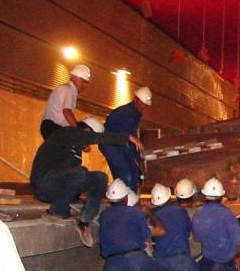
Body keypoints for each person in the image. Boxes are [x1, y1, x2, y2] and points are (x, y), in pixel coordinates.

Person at [30, 117, 143, 246]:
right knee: (80, 172)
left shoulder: (75, 151)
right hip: (43, 184)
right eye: (89, 140)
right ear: (87, 130)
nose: (88, 146)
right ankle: (55, 212)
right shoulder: (67, 133)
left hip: (57, 186)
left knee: (100, 177)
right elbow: (92, 139)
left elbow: (71, 178)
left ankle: (84, 220)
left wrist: (75, 194)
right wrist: (126, 138)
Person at [99, 87, 152, 193]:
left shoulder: (136, 114)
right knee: (125, 173)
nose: (144, 107)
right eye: (142, 104)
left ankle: (129, 198)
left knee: (133, 172)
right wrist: (138, 156)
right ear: (135, 99)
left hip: (120, 145)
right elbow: (127, 136)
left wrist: (138, 158)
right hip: (110, 145)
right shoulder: (123, 113)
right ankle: (124, 199)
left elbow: (131, 139)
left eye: (146, 105)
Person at [40, 64, 90, 139]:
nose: (84, 85)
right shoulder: (68, 89)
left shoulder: (67, 89)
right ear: (75, 78)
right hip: (54, 127)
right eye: (83, 81)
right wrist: (79, 132)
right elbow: (66, 112)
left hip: (50, 127)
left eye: (86, 83)